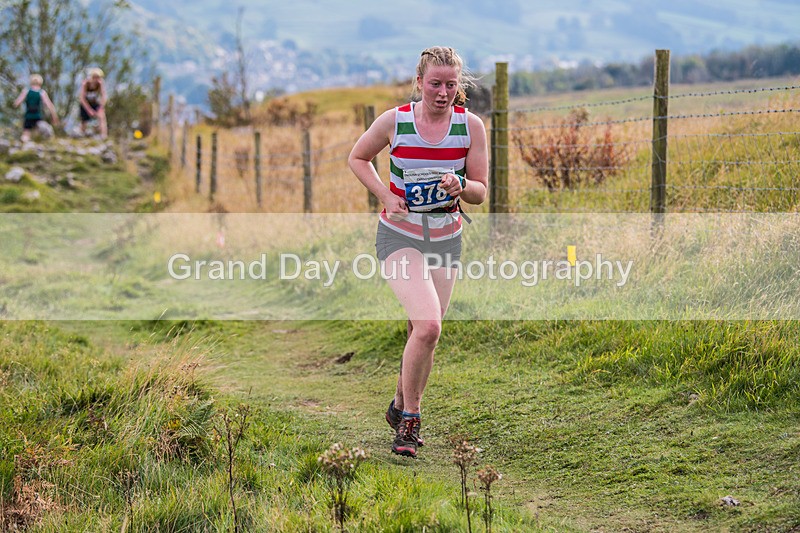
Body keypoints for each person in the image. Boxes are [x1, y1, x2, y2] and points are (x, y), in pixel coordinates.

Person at [348, 46, 488, 458]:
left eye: (450, 84)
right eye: (435, 83)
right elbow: (357, 157)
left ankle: (396, 406)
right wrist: (385, 196)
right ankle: (410, 421)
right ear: (420, 82)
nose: (443, 92)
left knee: (418, 331)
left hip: (446, 238)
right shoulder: (395, 121)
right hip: (399, 237)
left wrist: (462, 187)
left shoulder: (471, 127)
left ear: (458, 86)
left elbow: (481, 190)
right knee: (428, 327)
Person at [13, 74, 59, 142]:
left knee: (26, 133)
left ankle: (25, 143)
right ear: (40, 82)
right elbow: (49, 105)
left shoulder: (26, 91)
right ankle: (37, 144)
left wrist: (15, 105)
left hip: (28, 116)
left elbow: (17, 102)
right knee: (38, 132)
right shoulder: (42, 92)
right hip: (38, 116)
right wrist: (54, 116)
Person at [79, 67, 108, 138]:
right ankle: (81, 135)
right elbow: (82, 99)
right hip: (85, 104)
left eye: (98, 77)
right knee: (84, 121)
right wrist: (89, 110)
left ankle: (104, 136)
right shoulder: (86, 84)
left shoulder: (100, 84)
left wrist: (101, 107)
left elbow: (104, 96)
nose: (96, 79)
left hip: (94, 103)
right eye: (95, 77)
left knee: (102, 116)